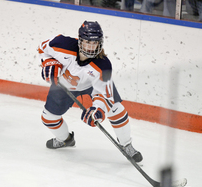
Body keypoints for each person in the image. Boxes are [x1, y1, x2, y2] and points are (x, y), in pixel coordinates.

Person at [38, 21, 143, 163]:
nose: (91, 47)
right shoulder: (61, 44)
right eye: (88, 42)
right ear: (80, 41)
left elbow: (103, 94)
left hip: (92, 85)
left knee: (117, 109)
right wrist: (48, 62)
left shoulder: (104, 65)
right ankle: (65, 140)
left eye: (95, 43)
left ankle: (126, 145)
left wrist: (98, 110)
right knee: (48, 118)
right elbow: (42, 48)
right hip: (65, 84)